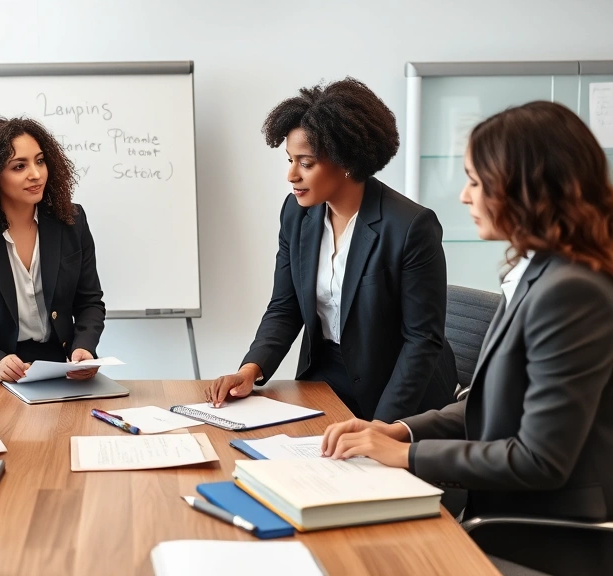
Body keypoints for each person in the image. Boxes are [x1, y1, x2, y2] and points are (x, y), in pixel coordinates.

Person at [321, 101, 613, 573]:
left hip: (546, 537)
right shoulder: (537, 271)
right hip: (500, 515)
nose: (463, 196)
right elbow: (488, 401)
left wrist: (406, 455)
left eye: (476, 181)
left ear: (527, 188)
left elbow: (539, 459)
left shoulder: (572, 290)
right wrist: (400, 429)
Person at [205, 78, 456, 422]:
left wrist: (380, 427)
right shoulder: (296, 214)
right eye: (289, 160)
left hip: (399, 390)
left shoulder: (411, 226)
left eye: (305, 163)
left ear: (346, 160)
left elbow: (422, 341)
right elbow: (285, 305)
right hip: (326, 376)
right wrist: (251, 369)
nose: (291, 175)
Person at [0, 117, 105, 383]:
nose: (36, 174)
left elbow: (90, 301)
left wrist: (84, 347)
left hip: (62, 364)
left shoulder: (71, 220)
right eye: (19, 166)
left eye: (40, 161)